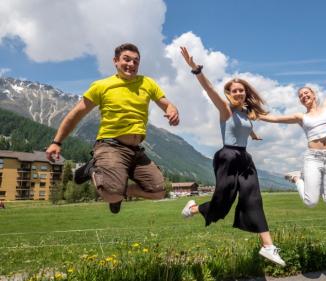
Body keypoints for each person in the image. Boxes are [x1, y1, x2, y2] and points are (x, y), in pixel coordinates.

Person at [179, 46, 285, 267]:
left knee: (253, 198)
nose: (238, 93)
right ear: (229, 94)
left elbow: (244, 127)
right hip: (227, 157)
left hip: (245, 158)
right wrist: (196, 69)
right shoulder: (225, 109)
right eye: (234, 90)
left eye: (241, 90)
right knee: (223, 203)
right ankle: (194, 208)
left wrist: (253, 135)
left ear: (246, 93)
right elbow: (209, 90)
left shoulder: (246, 113)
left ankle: (267, 246)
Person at [45, 43, 179, 214]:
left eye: (136, 61)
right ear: (115, 61)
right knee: (111, 195)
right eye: (126, 59)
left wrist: (172, 110)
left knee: (159, 192)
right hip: (111, 146)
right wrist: (57, 142)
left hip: (135, 150)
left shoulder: (148, 83)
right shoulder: (102, 86)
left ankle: (118, 189)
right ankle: (94, 169)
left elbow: (166, 104)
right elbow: (76, 114)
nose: (131, 64)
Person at [257, 43, 326, 209]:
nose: (303, 96)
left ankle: (319, 181)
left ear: (314, 95)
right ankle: (297, 179)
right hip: (313, 158)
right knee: (311, 202)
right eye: (300, 96)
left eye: (306, 93)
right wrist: (256, 115)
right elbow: (275, 118)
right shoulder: (301, 116)